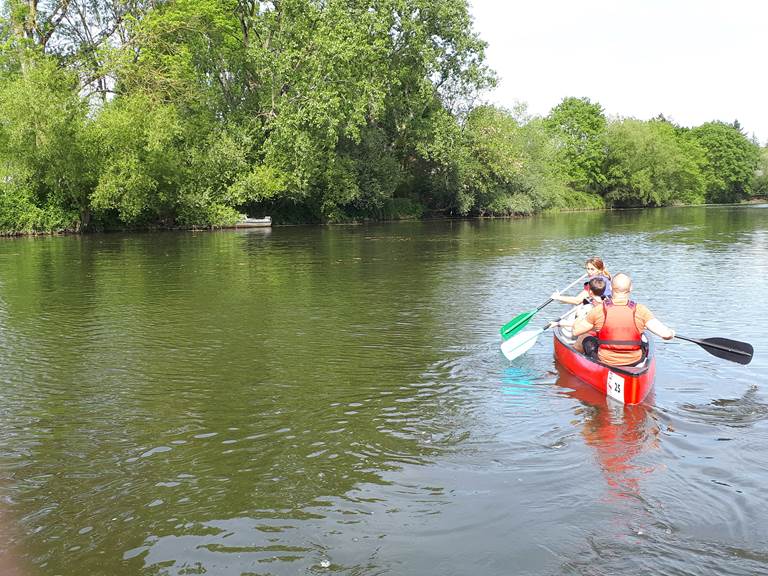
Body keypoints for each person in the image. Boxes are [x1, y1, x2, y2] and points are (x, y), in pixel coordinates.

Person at [571, 273, 674, 367]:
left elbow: (576, 331)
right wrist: (672, 333)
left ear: (611, 287)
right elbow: (666, 335)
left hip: (606, 360)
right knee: (645, 342)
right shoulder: (641, 310)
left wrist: (580, 314)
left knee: (585, 338)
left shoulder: (598, 310)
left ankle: (579, 366)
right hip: (634, 361)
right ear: (631, 288)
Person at [554, 277, 607, 344]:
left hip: (591, 336)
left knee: (578, 336)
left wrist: (558, 323)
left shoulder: (589, 308)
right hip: (602, 336)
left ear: (590, 291)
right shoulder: (606, 304)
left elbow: (577, 329)